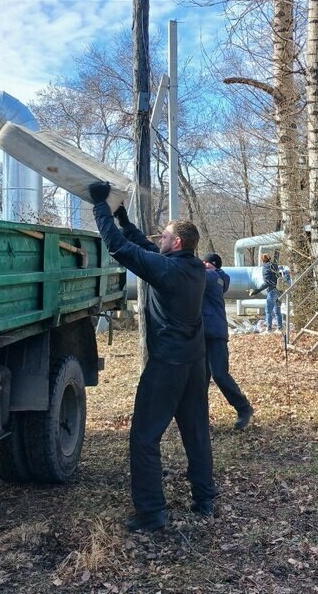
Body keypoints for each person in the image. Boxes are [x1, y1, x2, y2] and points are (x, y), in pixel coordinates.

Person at [89, 182, 217, 532]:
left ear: (176, 242)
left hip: (168, 366)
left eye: (165, 236)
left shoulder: (168, 270)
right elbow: (143, 246)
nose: (160, 238)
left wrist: (100, 206)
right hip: (195, 363)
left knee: (144, 438)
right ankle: (205, 500)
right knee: (196, 432)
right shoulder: (191, 268)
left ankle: (152, 514)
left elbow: (119, 249)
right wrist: (123, 218)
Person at [202, 253, 255, 430]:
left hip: (215, 334)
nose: (204, 265)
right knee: (199, 379)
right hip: (201, 335)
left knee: (219, 374)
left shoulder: (215, 278)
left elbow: (202, 274)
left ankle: (244, 408)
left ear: (214, 266)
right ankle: (199, 419)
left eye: (206, 263)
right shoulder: (211, 278)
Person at [249, 253, 283, 333]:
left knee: (268, 311)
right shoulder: (274, 266)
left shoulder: (266, 268)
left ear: (262, 260)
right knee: (277, 311)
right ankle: (280, 328)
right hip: (279, 291)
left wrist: (256, 291)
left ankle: (269, 329)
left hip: (272, 291)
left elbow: (267, 283)